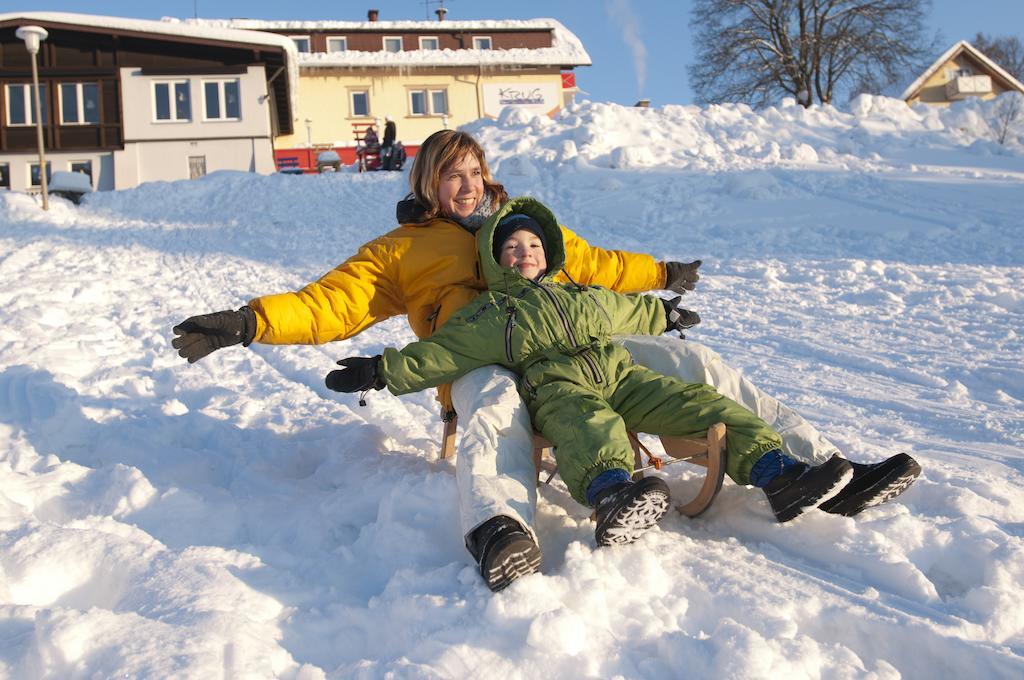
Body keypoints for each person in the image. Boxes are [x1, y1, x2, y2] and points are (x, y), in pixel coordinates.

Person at [171, 129, 920, 592]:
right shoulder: (402, 251)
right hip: (479, 357)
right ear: (428, 186)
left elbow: (595, 266)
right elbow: (329, 302)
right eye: (449, 174)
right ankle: (501, 530)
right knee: (494, 402)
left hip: (576, 346)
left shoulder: (520, 227)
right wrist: (246, 322)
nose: (466, 184)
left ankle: (823, 473)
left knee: (701, 366)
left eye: (473, 170)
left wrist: (661, 276)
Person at [324, 200, 859, 585]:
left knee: (708, 404)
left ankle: (778, 474)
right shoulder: (493, 314)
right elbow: (440, 354)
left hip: (620, 376)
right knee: (588, 425)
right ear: (493, 261)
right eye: (510, 248)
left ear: (549, 251)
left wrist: (664, 312)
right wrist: (381, 370)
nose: (524, 253)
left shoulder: (578, 295)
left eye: (533, 244)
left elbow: (626, 308)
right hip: (556, 386)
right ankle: (610, 494)